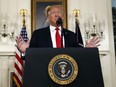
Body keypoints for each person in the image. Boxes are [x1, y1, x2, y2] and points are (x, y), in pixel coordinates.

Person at [16, 5, 100, 53]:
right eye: (53, 13)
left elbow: (78, 53)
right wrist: (24, 51)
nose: (56, 14)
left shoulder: (71, 35)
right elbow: (32, 56)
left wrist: (87, 50)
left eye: (59, 12)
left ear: (62, 17)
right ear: (48, 18)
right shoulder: (38, 34)